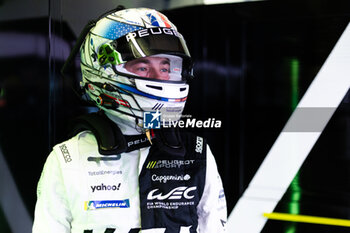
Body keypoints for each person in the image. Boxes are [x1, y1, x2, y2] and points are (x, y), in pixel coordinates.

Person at [32, 6, 227, 233]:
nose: (159, 77)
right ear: (102, 70)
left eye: (165, 68)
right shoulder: (67, 159)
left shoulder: (196, 153)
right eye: (143, 67)